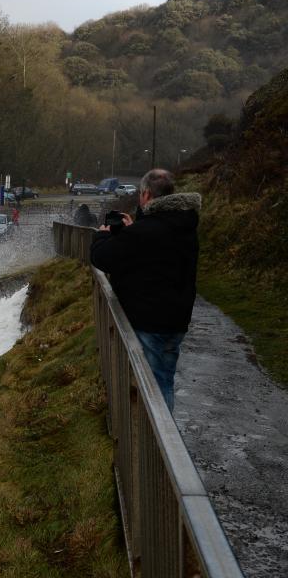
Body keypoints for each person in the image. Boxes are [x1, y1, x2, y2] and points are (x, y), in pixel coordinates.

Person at [89, 169, 201, 411]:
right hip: (177, 320)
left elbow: (103, 257)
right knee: (165, 380)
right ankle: (162, 438)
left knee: (155, 388)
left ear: (147, 194)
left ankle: (160, 445)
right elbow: (154, 250)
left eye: (141, 194)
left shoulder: (145, 232)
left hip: (150, 321)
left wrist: (101, 236)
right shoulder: (184, 225)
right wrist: (134, 228)